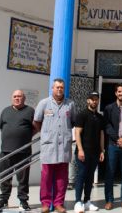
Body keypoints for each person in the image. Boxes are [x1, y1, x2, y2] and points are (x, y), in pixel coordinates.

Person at [33, 79, 76, 213]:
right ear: (52, 88)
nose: (59, 89)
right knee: (46, 177)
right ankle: (45, 203)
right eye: (57, 87)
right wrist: (46, 133)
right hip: (49, 146)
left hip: (64, 147)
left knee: (62, 178)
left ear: (64, 89)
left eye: (61, 87)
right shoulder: (44, 103)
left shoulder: (70, 104)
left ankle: (58, 203)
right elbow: (36, 122)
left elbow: (73, 122)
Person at [0, 90, 35, 212]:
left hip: (23, 152)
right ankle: (4, 200)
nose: (17, 98)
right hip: (6, 151)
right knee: (5, 178)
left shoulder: (30, 111)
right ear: (12, 98)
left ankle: (23, 201)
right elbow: (2, 127)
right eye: (15, 96)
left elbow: (36, 127)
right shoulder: (5, 111)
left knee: (23, 179)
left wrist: (24, 136)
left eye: (19, 96)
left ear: (24, 98)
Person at [103, 84, 122, 210]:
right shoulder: (109, 108)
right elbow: (107, 126)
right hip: (113, 145)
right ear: (116, 93)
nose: (121, 94)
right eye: (119, 91)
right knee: (109, 174)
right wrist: (117, 138)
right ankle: (109, 200)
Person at [74, 91, 105, 213]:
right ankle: (78, 202)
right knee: (81, 176)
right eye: (92, 99)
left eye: (96, 99)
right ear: (88, 100)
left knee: (90, 177)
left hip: (95, 153)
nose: (94, 101)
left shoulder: (100, 117)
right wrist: (80, 150)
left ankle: (87, 201)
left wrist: (102, 150)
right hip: (83, 152)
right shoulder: (82, 114)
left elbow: (101, 135)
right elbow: (77, 132)